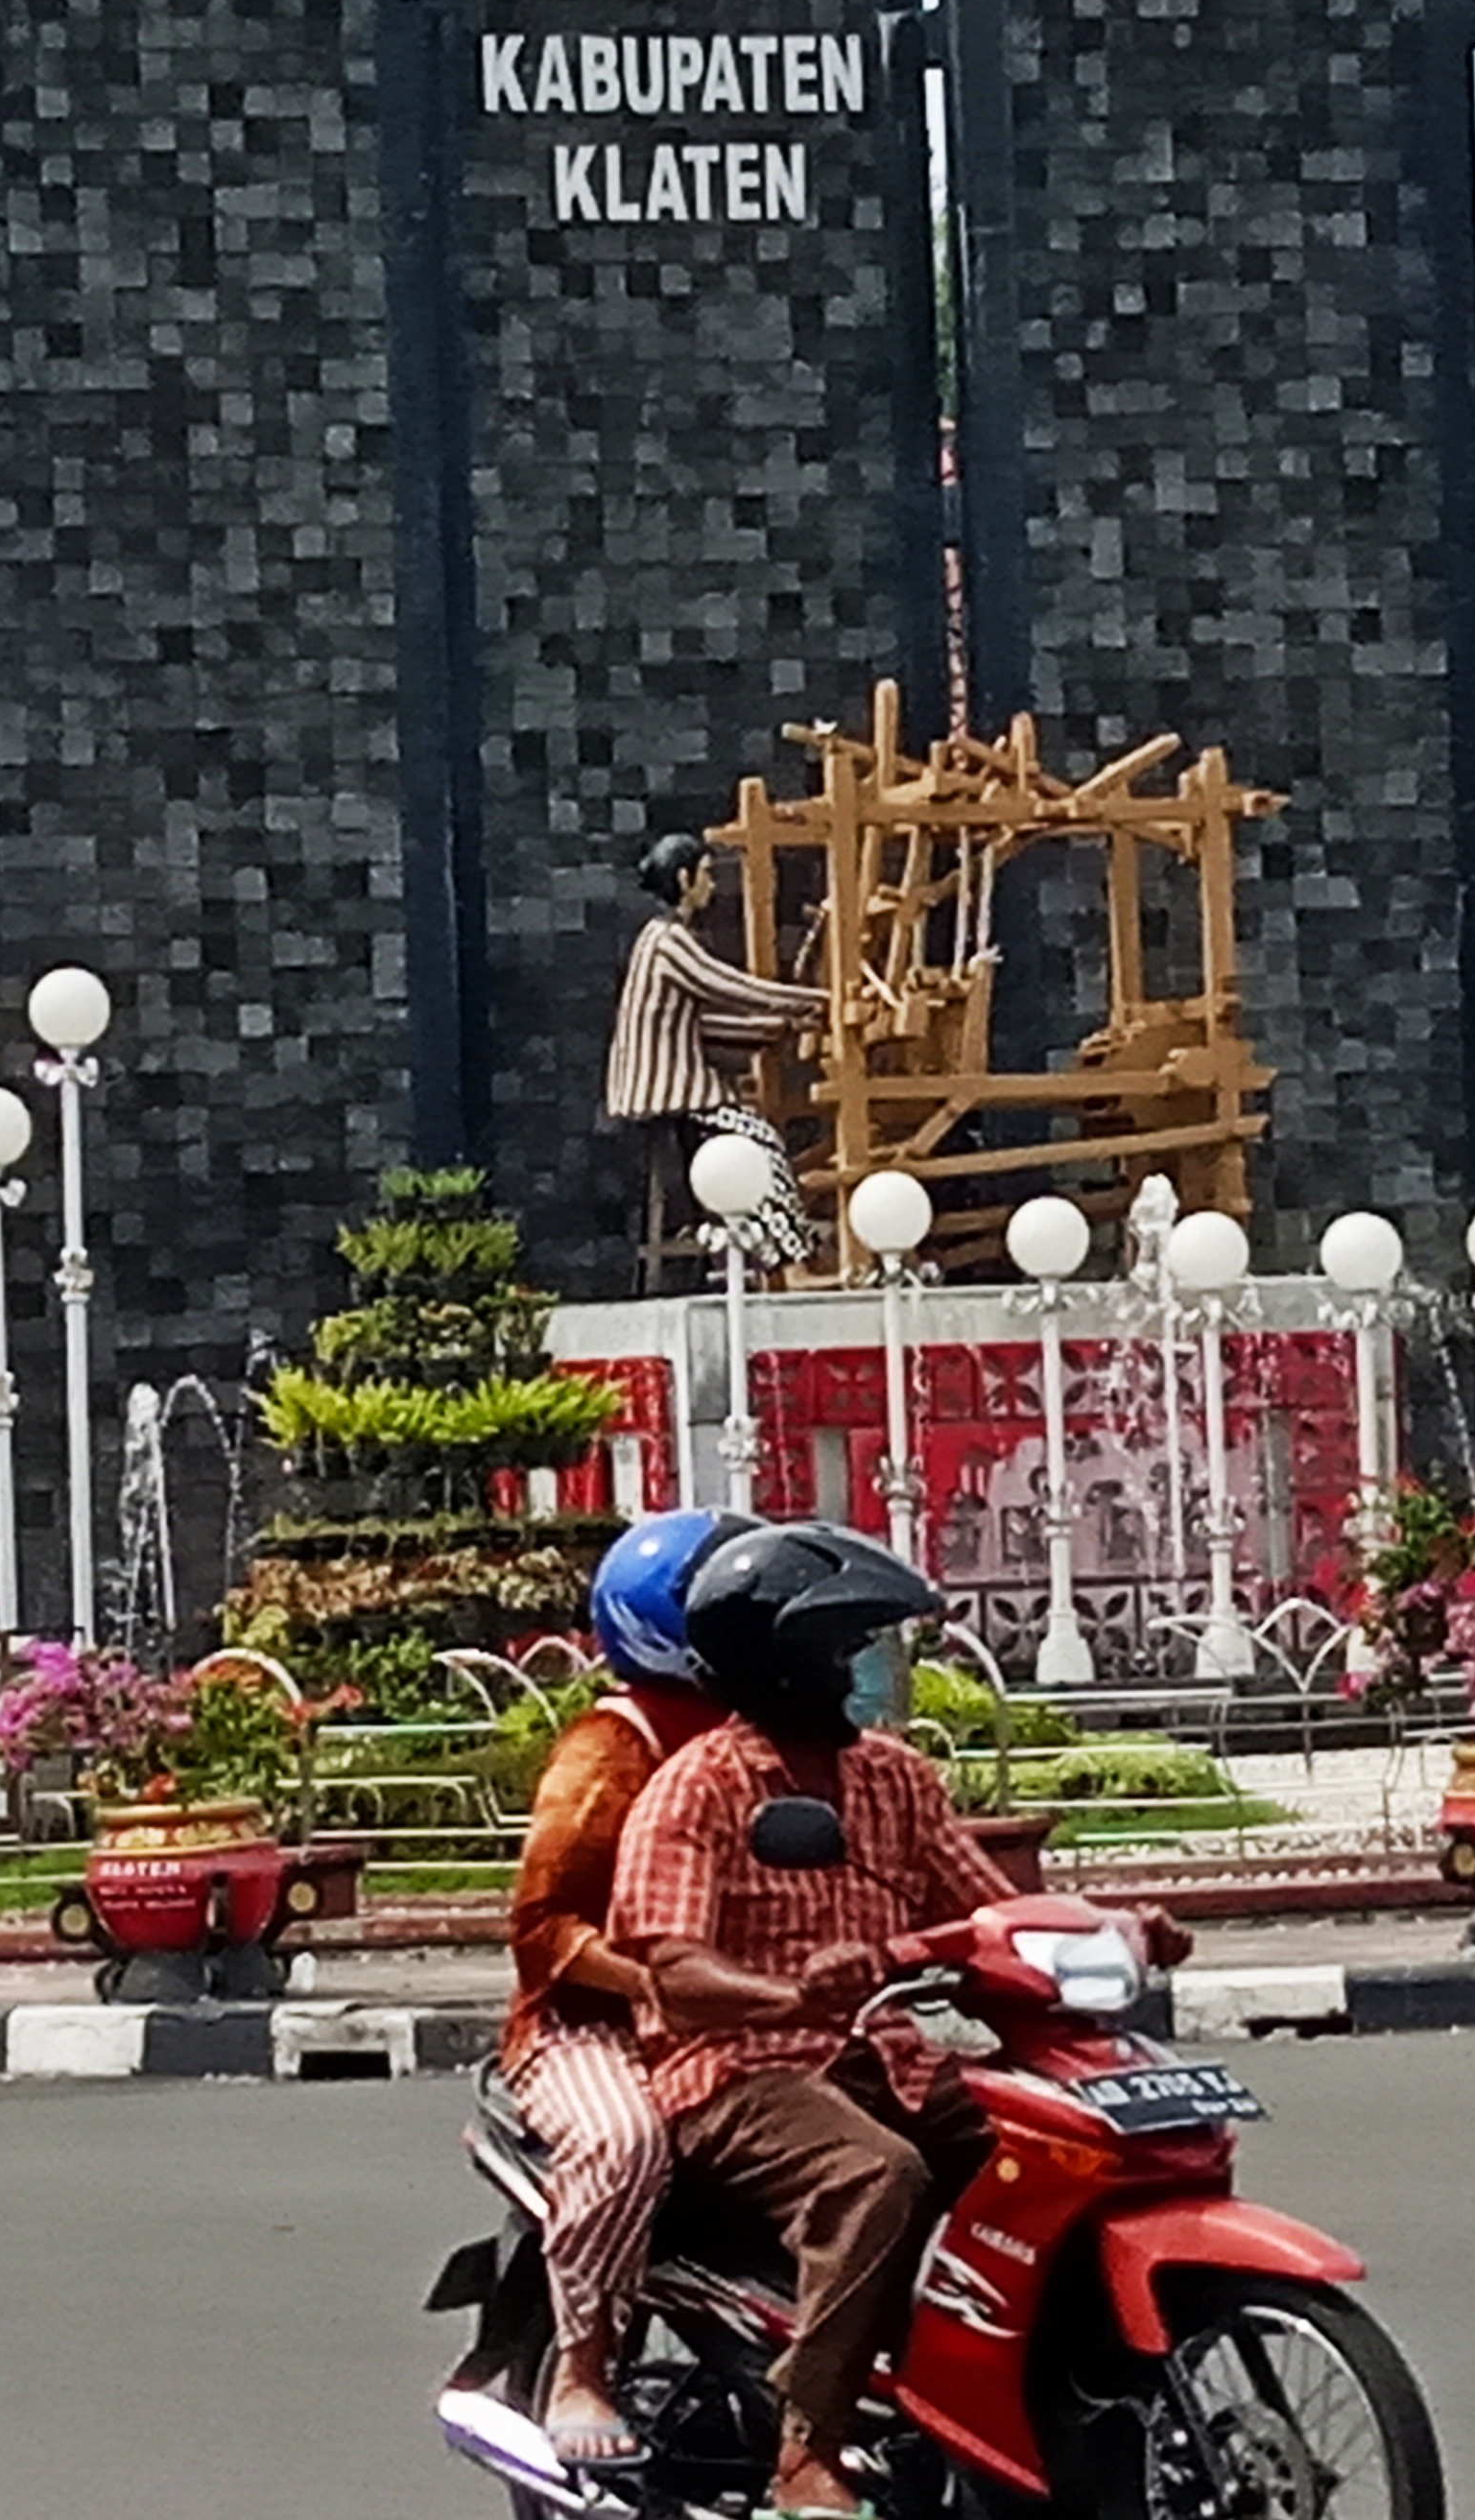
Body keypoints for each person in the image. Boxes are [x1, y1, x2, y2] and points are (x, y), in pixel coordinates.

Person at [608, 1522, 1193, 2520]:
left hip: (889, 2058)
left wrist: (1116, 1930)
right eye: (848, 1652)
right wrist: (786, 1995)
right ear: (787, 1662)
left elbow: (983, 1915)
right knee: (878, 2177)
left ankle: (1028, 2399)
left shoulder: (895, 1779)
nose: (867, 1674)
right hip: (739, 2071)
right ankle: (808, 2449)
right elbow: (672, 1973)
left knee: (1065, 2153)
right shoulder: (698, 1788)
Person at [500, 1507, 742, 2468]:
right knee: (623, 2138)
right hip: (585, 2028)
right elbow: (542, 1927)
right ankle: (584, 2364)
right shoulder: (612, 1745)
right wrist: (652, 1985)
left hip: (741, 2005)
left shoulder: (755, 1727)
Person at [605, 831, 824, 1273]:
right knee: (761, 1142)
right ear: (684, 879)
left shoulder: (657, 940)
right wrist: (814, 1002)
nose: (712, 885)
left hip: (671, 1087)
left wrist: (776, 1027)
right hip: (673, 1093)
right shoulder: (669, 942)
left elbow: (701, 1024)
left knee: (751, 1140)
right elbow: (729, 988)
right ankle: (790, 1254)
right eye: (705, 874)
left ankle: (770, 1248)